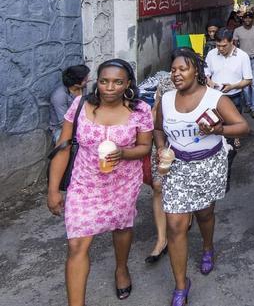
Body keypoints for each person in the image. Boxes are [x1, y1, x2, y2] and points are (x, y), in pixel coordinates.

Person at [47, 59, 154, 304]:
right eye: (104, 81)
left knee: (122, 226)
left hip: (123, 182)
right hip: (85, 183)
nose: (109, 87)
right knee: (76, 245)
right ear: (97, 82)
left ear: (128, 84)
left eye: (117, 82)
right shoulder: (80, 104)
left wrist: (123, 153)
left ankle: (121, 268)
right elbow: (63, 147)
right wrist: (53, 190)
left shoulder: (140, 110)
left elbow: (145, 147)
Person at [154, 48, 249, 306]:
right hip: (177, 168)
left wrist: (219, 129)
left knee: (204, 214)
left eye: (182, 69)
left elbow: (243, 126)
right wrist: (161, 147)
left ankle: (207, 247)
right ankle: (181, 286)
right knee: (175, 225)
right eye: (173, 70)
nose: (176, 74)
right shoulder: (165, 99)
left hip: (208, 164)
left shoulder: (215, 98)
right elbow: (159, 128)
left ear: (196, 70)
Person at [205, 28, 252, 190]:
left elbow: (248, 80)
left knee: (230, 140)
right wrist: (209, 81)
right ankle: (212, 174)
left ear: (233, 42)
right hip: (214, 99)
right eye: (218, 45)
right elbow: (206, 73)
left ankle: (225, 177)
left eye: (224, 45)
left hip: (234, 98)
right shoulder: (211, 54)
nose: (220, 49)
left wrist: (232, 86)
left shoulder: (243, 56)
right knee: (213, 135)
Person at [144, 73, 178, 264]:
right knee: (158, 187)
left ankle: (181, 225)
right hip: (162, 142)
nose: (178, 73)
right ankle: (161, 240)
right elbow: (156, 109)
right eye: (174, 68)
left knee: (181, 188)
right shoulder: (165, 83)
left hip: (186, 142)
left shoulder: (200, 83)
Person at [233, 12, 254, 118]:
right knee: (245, 85)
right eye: (246, 18)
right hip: (243, 61)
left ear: (253, 19)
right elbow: (234, 47)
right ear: (243, 19)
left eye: (249, 18)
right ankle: (248, 104)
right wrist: (234, 60)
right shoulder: (237, 31)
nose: (247, 20)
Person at [49, 65, 90, 143]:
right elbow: (63, 123)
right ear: (76, 84)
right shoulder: (59, 96)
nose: (88, 80)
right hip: (62, 128)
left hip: (81, 122)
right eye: (85, 79)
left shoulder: (83, 87)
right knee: (65, 146)